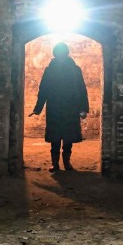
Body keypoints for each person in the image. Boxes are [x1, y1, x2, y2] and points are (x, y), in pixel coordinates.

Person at [29, 42, 89, 172]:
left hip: (71, 107)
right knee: (55, 138)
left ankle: (66, 162)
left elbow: (82, 89)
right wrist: (37, 108)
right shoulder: (49, 70)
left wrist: (83, 108)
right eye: (58, 53)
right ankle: (55, 163)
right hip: (55, 107)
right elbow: (43, 89)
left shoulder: (75, 70)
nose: (60, 55)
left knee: (68, 138)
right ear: (55, 54)